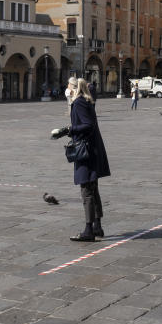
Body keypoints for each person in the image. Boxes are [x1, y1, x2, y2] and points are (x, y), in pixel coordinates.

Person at [66, 79, 110, 242]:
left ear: (75, 88)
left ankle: (88, 229)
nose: (67, 88)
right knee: (93, 187)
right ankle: (97, 226)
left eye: (69, 85)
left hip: (86, 151)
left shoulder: (79, 103)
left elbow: (87, 125)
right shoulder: (86, 101)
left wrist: (71, 130)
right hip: (93, 149)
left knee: (86, 189)